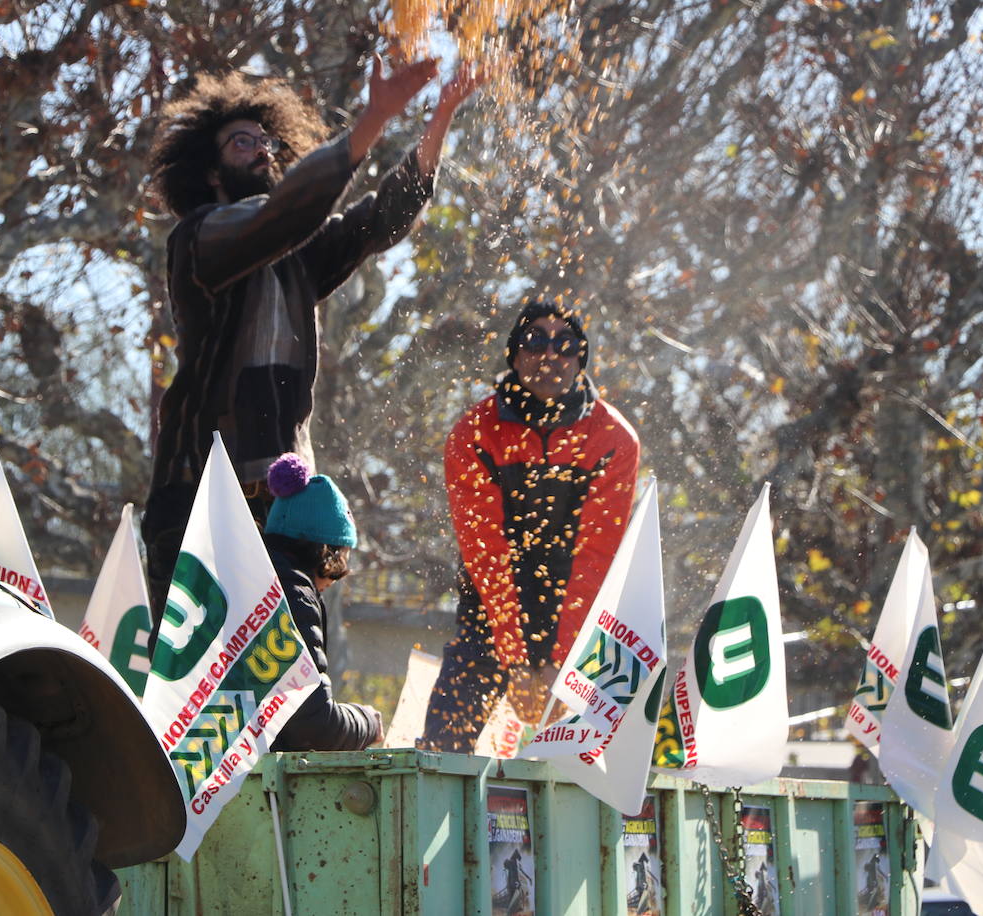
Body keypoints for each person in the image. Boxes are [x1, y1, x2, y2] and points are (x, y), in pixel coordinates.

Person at [142, 55, 483, 642]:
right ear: (211, 171)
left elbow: (379, 219)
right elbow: (281, 215)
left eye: (266, 140)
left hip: (282, 500)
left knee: (287, 672)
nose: (262, 150)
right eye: (242, 142)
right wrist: (371, 120)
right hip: (198, 490)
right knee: (197, 686)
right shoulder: (200, 237)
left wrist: (440, 117)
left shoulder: (298, 253)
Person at [420, 299, 640, 752]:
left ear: (581, 358)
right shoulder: (474, 433)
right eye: (534, 341)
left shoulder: (614, 438)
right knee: (446, 737)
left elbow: (596, 557)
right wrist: (517, 661)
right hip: (492, 602)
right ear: (513, 355)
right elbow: (485, 552)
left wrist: (564, 660)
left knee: (612, 747)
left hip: (580, 609)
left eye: (565, 345)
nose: (549, 356)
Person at [261, 453, 382, 751]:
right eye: (335, 572)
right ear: (326, 554)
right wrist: (369, 723)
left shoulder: (245, 577)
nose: (327, 588)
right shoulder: (291, 595)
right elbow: (315, 728)